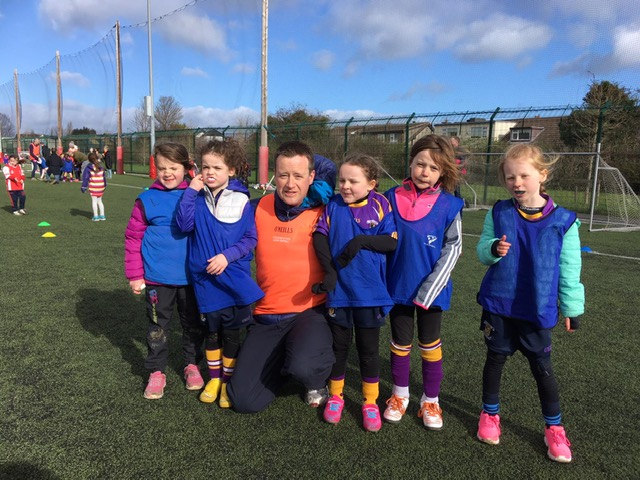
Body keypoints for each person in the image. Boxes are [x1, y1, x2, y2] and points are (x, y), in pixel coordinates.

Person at [475, 144, 584, 463]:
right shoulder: (499, 212)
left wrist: (572, 307)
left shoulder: (564, 221)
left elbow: (570, 268)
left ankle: (554, 428)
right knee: (495, 361)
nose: (517, 182)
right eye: (510, 177)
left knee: (543, 369)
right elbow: (482, 250)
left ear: (542, 175)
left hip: (537, 309)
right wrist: (493, 249)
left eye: (524, 175)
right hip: (500, 305)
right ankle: (489, 415)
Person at [227, 141, 336, 414]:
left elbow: (333, 169)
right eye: (283, 175)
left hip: (309, 312)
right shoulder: (256, 207)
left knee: (305, 366)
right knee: (244, 401)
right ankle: (287, 360)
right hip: (266, 315)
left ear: (312, 177)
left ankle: (311, 369)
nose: (290, 183)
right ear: (274, 175)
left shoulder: (325, 211)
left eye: (299, 175)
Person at [382, 134, 463, 430]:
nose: (424, 172)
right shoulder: (391, 196)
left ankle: (431, 400)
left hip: (432, 291)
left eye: (432, 168)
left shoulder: (450, 205)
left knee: (429, 345)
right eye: (420, 164)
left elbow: (453, 248)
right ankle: (399, 395)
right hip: (398, 287)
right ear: (411, 163)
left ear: (442, 173)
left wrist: (431, 287)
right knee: (400, 343)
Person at [177, 138, 264, 408]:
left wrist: (227, 256)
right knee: (212, 333)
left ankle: (226, 380)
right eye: (205, 167)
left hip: (232, 279)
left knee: (232, 334)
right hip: (205, 281)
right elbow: (183, 224)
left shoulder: (241, 201)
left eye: (217, 167)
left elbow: (250, 239)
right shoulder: (196, 198)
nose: (210, 172)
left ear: (232, 171)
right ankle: (213, 378)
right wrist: (190, 191)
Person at [313, 153, 397, 432]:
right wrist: (330, 271)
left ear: (372, 183)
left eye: (353, 181)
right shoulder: (333, 205)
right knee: (339, 347)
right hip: (340, 292)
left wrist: (361, 242)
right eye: (342, 180)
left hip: (370, 293)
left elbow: (391, 242)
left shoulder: (382, 204)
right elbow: (319, 236)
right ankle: (336, 396)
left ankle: (369, 401)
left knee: (368, 351)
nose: (345, 186)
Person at [124, 142, 206, 400]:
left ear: (186, 168)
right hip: (157, 279)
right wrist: (135, 275)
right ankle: (157, 371)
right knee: (157, 327)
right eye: (162, 168)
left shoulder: (198, 195)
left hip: (192, 279)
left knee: (193, 325)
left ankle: (192, 364)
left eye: (173, 167)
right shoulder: (147, 199)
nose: (167, 173)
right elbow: (133, 237)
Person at [81, 152, 107, 221]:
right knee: (100, 201)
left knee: (94, 201)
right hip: (101, 187)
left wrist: (84, 187)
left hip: (94, 187)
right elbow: (104, 177)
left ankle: (96, 216)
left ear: (89, 160)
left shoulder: (88, 168)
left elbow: (85, 178)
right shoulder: (100, 166)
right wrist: (104, 185)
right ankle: (102, 215)